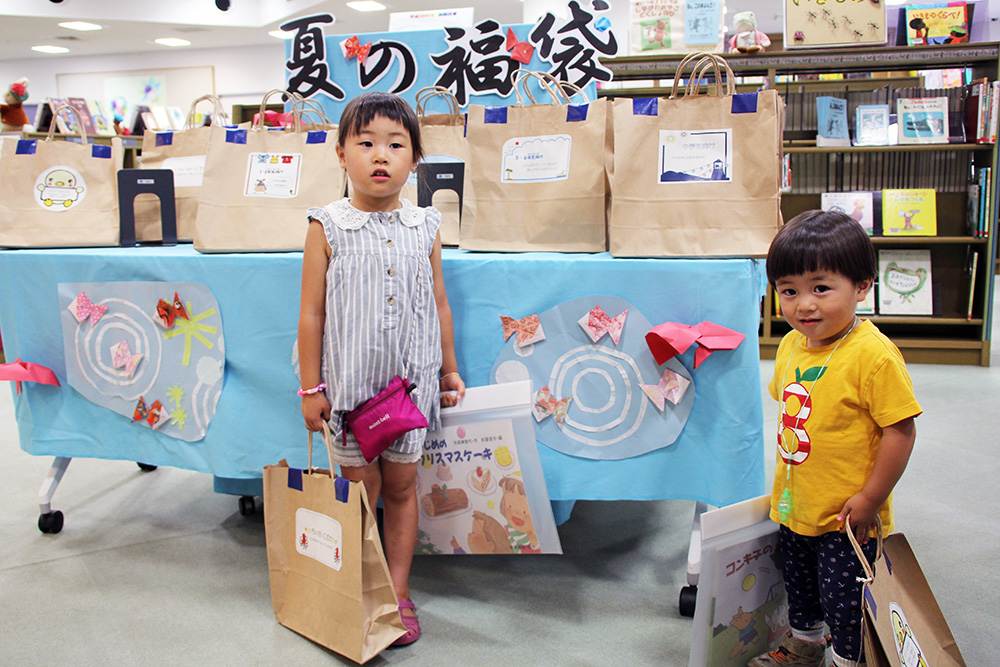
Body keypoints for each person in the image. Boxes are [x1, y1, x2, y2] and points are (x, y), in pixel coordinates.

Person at [297, 91, 466, 647]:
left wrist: (448, 371)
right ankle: (361, 589)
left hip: (410, 394)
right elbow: (311, 313)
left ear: (414, 159)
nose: (380, 155)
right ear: (341, 153)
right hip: (349, 395)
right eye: (365, 142)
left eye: (396, 144)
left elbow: (440, 303)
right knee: (358, 493)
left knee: (400, 489)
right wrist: (310, 388)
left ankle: (397, 595)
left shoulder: (426, 226)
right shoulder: (327, 226)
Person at [750, 210, 921, 667]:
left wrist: (871, 496)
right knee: (800, 588)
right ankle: (805, 646)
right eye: (789, 291)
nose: (803, 305)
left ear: (862, 286)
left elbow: (900, 431)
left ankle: (851, 660)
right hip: (796, 500)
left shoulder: (874, 356)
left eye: (820, 288)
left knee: (846, 603)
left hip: (848, 515)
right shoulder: (791, 344)